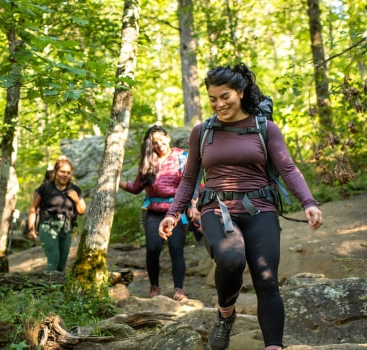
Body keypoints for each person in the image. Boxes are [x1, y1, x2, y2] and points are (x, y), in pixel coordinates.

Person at [158, 64, 323, 350]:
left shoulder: (264, 128)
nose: (219, 104)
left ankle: (273, 345)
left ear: (241, 92)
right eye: (212, 98)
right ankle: (225, 314)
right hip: (217, 209)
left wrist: (308, 202)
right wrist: (173, 213)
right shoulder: (203, 131)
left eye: (225, 97)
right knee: (232, 259)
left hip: (261, 209)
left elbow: (288, 167)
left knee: (268, 280)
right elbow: (189, 178)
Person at [119, 126, 200, 301]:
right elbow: (135, 188)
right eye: (155, 142)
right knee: (153, 249)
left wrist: (194, 206)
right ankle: (154, 286)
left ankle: (179, 289)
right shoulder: (148, 161)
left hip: (177, 212)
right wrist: (115, 180)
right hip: (153, 213)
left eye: (161, 140)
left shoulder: (182, 158)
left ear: (168, 137)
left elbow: (193, 184)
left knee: (176, 249)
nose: (159, 145)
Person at [28, 156, 86, 272]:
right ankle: (48, 288)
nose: (65, 175)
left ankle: (55, 288)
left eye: (68, 173)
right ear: (55, 172)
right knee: (53, 260)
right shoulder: (46, 188)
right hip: (47, 226)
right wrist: (31, 229)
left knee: (61, 265)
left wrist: (76, 199)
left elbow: (81, 211)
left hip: (66, 228)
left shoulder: (75, 189)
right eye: (62, 172)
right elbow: (33, 208)